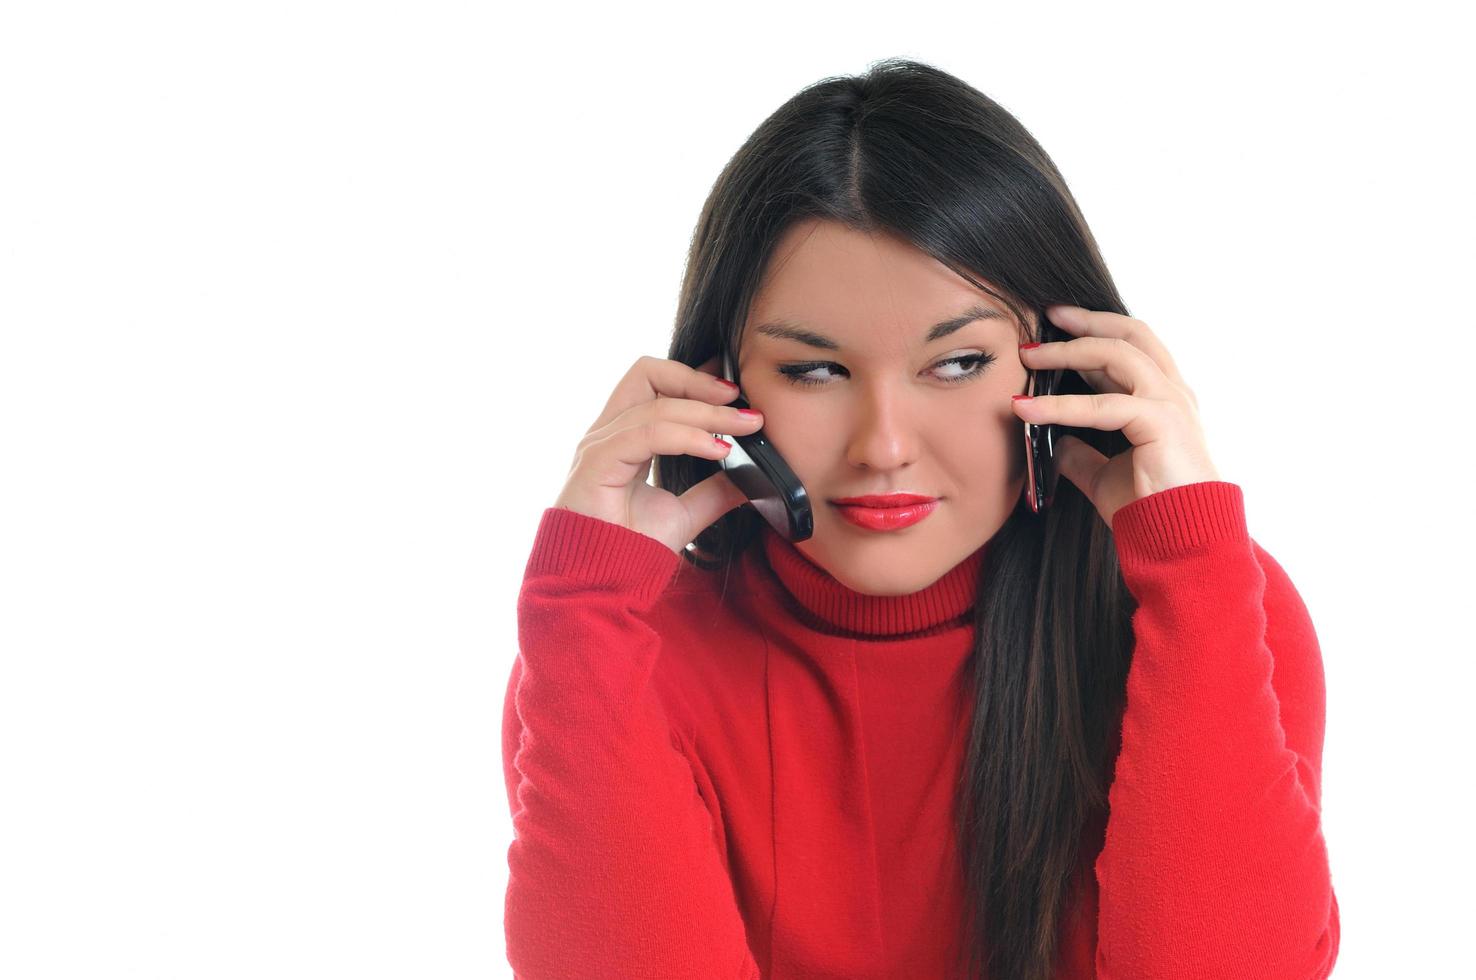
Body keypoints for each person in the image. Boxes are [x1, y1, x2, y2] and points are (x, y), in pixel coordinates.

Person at [502, 58, 1339, 980]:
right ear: (719, 385)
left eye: (956, 363)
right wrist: (578, 608)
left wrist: (1193, 563)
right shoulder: (614, 652)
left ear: (1060, 368)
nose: (885, 445)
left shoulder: (1207, 609)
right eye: (815, 371)